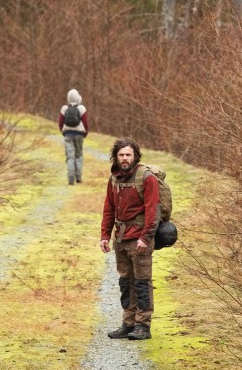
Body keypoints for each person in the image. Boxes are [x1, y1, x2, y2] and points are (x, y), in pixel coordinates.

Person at [100, 138, 160, 341]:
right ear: (116, 157)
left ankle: (143, 325)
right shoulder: (114, 178)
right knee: (125, 282)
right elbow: (109, 208)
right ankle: (128, 323)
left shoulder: (147, 178)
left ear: (135, 157)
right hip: (121, 238)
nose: (125, 158)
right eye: (121, 155)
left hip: (140, 239)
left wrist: (146, 237)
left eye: (128, 155)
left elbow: (153, 210)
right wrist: (104, 236)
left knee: (142, 282)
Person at [58, 88, 89, 185]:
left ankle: (71, 179)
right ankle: (78, 177)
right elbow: (85, 123)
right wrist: (85, 133)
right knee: (78, 155)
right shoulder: (82, 108)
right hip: (79, 134)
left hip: (68, 134)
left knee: (70, 157)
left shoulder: (64, 109)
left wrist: (64, 132)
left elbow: (60, 123)